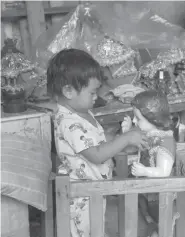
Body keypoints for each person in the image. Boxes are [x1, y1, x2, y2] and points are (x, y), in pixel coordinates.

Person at [48, 48, 148, 237]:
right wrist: (125, 138)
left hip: (93, 191)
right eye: (92, 93)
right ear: (68, 91)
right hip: (82, 195)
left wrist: (122, 137)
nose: (97, 97)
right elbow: (96, 154)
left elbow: (99, 142)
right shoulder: (70, 122)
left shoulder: (82, 114)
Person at [121, 90, 177, 237]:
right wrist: (128, 132)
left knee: (162, 222)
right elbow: (136, 144)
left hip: (160, 196)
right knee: (148, 216)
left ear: (154, 119)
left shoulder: (165, 142)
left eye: (138, 118)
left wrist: (144, 171)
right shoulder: (151, 136)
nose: (134, 121)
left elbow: (163, 172)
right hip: (148, 192)